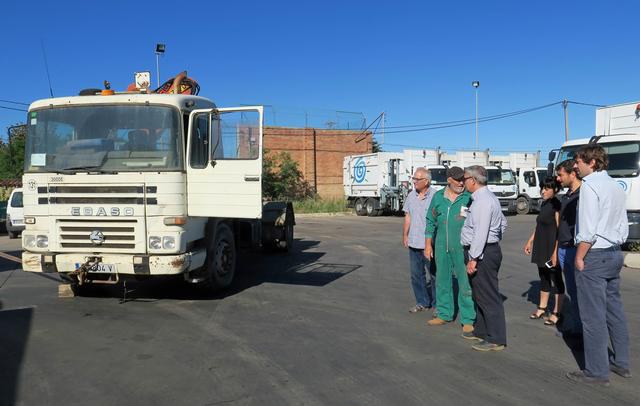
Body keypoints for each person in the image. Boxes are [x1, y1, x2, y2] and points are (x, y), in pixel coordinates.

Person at [566, 145, 631, 386]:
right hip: (614, 253)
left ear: (592, 162)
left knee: (592, 316)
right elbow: (622, 224)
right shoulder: (615, 186)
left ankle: (596, 371)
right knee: (614, 311)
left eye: (578, 161)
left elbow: (588, 229)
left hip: (594, 254)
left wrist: (579, 257)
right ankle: (621, 363)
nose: (575, 166)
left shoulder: (590, 186)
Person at [460, 165, 508, 351]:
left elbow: (481, 233)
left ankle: (496, 338)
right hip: (486, 250)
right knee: (479, 293)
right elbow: (503, 223)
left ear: (473, 180)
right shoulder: (485, 198)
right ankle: (482, 330)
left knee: (488, 295)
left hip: (482, 253)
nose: (463, 182)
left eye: (465, 179)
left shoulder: (483, 201)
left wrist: (474, 258)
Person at [424, 166, 476, 336]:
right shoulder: (438, 197)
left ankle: (468, 319)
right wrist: (428, 245)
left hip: (462, 247)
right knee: (442, 280)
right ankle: (444, 314)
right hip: (441, 246)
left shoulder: (469, 198)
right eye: (458, 180)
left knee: (465, 283)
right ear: (449, 180)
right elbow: (430, 221)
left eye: (463, 180)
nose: (461, 183)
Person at [524, 177, 565, 326]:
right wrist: (530, 241)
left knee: (556, 278)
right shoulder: (545, 203)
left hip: (551, 247)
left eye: (547, 188)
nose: (543, 191)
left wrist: (555, 252)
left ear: (555, 190)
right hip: (541, 245)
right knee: (543, 276)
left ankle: (557, 312)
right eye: (542, 188)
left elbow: (559, 230)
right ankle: (542, 308)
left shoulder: (557, 205)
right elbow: (539, 226)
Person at [403, 167, 437, 313]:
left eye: (417, 179)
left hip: (429, 244)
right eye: (414, 178)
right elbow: (408, 216)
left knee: (434, 275)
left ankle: (437, 305)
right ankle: (422, 302)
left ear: (426, 181)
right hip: (413, 243)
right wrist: (405, 235)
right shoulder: (411, 195)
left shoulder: (436, 197)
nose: (414, 181)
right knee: (416, 275)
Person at [555, 159, 582, 335]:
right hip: (563, 249)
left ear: (572, 174)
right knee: (572, 291)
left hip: (575, 249)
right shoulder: (566, 195)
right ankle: (577, 327)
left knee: (580, 292)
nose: (558, 178)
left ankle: (583, 331)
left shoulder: (583, 195)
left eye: (560, 175)